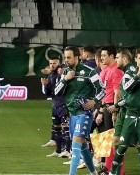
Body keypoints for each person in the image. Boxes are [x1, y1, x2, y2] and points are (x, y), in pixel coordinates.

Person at [54, 46, 105, 175]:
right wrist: (65, 79)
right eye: (65, 57)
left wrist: (94, 101)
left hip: (84, 114)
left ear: (76, 57)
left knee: (75, 146)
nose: (66, 60)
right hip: (72, 115)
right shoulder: (65, 73)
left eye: (69, 57)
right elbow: (57, 91)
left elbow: (102, 90)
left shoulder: (90, 72)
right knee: (82, 148)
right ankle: (94, 173)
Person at [111, 48, 140, 175]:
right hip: (130, 114)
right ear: (135, 59)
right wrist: (138, 74)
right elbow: (127, 88)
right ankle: (113, 172)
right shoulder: (129, 73)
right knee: (122, 145)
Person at [97, 46, 123, 172]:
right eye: (101, 56)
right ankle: (105, 165)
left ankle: (114, 169)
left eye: (104, 55)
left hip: (112, 107)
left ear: (112, 56)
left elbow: (117, 93)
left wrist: (115, 111)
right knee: (105, 137)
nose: (102, 58)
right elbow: (104, 92)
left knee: (113, 140)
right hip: (106, 106)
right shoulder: (107, 70)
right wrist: (101, 110)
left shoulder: (116, 71)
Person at [41, 56, 70, 158]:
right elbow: (49, 94)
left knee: (65, 129)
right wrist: (46, 85)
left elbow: (59, 90)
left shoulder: (62, 73)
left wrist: (48, 85)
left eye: (54, 63)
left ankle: (67, 151)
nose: (52, 65)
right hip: (55, 106)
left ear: (58, 63)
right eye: (51, 63)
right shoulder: (51, 76)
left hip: (63, 105)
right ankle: (58, 151)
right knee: (57, 129)